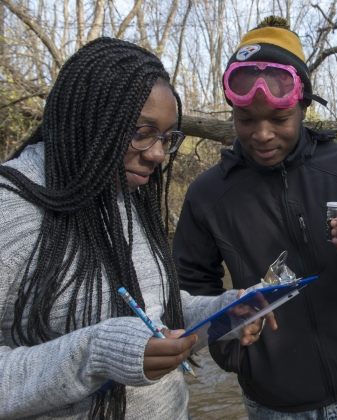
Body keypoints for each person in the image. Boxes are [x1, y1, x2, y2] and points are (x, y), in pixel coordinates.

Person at [0, 38, 271, 419]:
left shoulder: (122, 195)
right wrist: (98, 353)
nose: (158, 154)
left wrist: (224, 310)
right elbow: (111, 341)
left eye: (166, 138)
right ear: (88, 119)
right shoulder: (10, 209)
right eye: (142, 132)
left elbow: (154, 312)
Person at [173, 16, 337, 419]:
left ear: (303, 107)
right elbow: (190, 290)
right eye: (246, 120)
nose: (262, 134)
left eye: (279, 120)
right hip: (275, 404)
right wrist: (228, 338)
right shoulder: (209, 195)